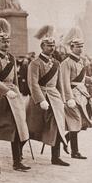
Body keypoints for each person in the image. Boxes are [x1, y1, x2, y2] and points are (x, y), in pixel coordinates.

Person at [0, 18, 30, 172]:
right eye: (3, 43)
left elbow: (15, 80)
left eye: (8, 42)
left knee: (18, 127)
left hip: (12, 96)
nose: (6, 45)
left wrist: (16, 91)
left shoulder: (12, 58)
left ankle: (17, 161)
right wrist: (6, 91)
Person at [26, 25, 69, 166]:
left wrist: (62, 99)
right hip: (39, 100)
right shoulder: (35, 63)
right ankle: (18, 152)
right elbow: (33, 83)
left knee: (56, 125)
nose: (51, 48)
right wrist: (40, 99)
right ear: (42, 46)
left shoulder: (56, 63)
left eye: (53, 45)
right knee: (31, 128)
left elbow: (59, 84)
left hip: (54, 98)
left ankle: (55, 157)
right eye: (48, 45)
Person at [60, 27, 92, 160]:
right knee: (76, 121)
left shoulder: (81, 61)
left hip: (83, 95)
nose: (80, 49)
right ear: (71, 47)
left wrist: (90, 79)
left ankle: (64, 138)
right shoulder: (66, 63)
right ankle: (75, 151)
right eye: (77, 47)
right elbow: (64, 82)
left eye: (82, 46)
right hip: (73, 96)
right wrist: (68, 98)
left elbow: (81, 79)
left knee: (83, 121)